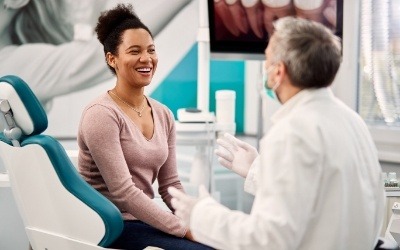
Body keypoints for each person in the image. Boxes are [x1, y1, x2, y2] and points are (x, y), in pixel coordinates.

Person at [169, 16, 385, 250]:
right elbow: (323, 197)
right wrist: (256, 170)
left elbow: (267, 240)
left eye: (267, 59)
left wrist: (201, 214)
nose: (265, 68)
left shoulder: (291, 133)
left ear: (279, 72)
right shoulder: (353, 121)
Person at [77, 4, 213, 250]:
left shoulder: (163, 114)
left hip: (141, 221)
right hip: (108, 226)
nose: (146, 58)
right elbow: (124, 193)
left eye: (151, 50)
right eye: (134, 51)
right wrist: (184, 230)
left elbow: (171, 184)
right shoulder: (101, 115)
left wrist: (197, 220)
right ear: (112, 59)